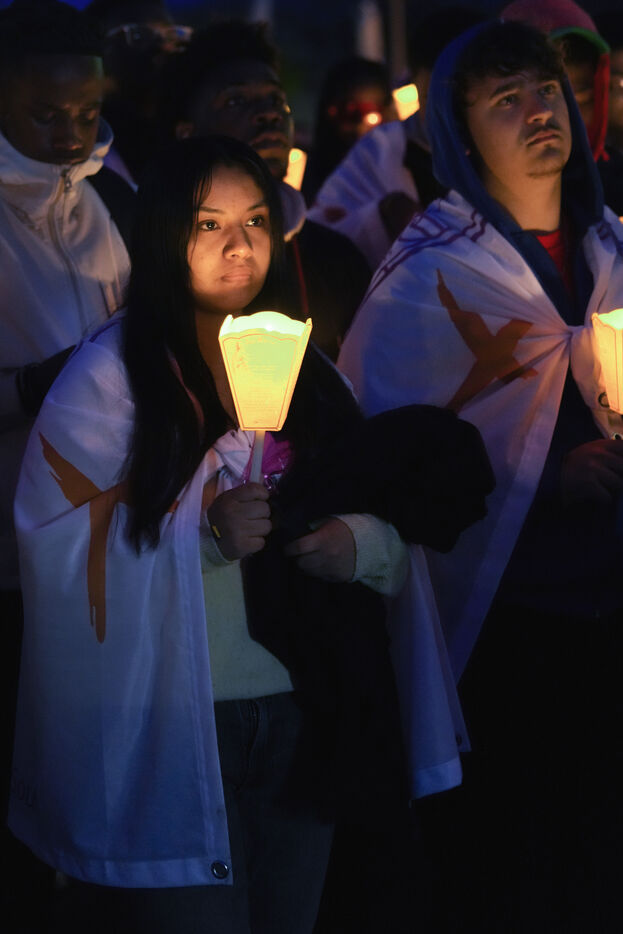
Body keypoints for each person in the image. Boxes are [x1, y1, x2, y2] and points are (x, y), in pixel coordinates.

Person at [7, 134, 419, 934]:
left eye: (257, 219)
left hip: (302, 708)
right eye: (208, 224)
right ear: (165, 233)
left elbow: (388, 511)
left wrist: (358, 544)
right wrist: (200, 529)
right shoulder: (109, 377)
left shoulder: (308, 369)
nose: (240, 245)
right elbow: (57, 540)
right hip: (176, 722)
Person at [339, 19, 623, 932]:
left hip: (610, 606)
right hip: (507, 623)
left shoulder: (611, 249)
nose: (539, 111)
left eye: (545, 90)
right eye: (505, 99)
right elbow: (391, 455)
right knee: (512, 866)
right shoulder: (428, 276)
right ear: (460, 136)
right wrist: (543, 480)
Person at [0, 1, 132, 927]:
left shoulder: (101, 197)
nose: (71, 134)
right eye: (47, 115)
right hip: (13, 545)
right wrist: (38, 386)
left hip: (110, 531)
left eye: (87, 113)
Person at [160, 20, 371, 361]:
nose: (268, 114)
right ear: (188, 133)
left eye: (276, 99)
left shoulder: (337, 261)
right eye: (236, 101)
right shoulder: (160, 259)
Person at [308, 7, 482, 268]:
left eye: (466, 97)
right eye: (435, 96)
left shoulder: (510, 144)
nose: (449, 111)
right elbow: (320, 238)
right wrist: (384, 214)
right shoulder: (379, 152)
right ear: (415, 83)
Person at [503, 0, 623, 215]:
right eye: (546, 92)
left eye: (583, 98)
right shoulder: (464, 221)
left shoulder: (609, 200)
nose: (561, 115)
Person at [301, 56, 397, 205]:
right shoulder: (315, 178)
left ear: (388, 114)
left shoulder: (405, 171)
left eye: (372, 115)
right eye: (348, 114)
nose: (360, 128)